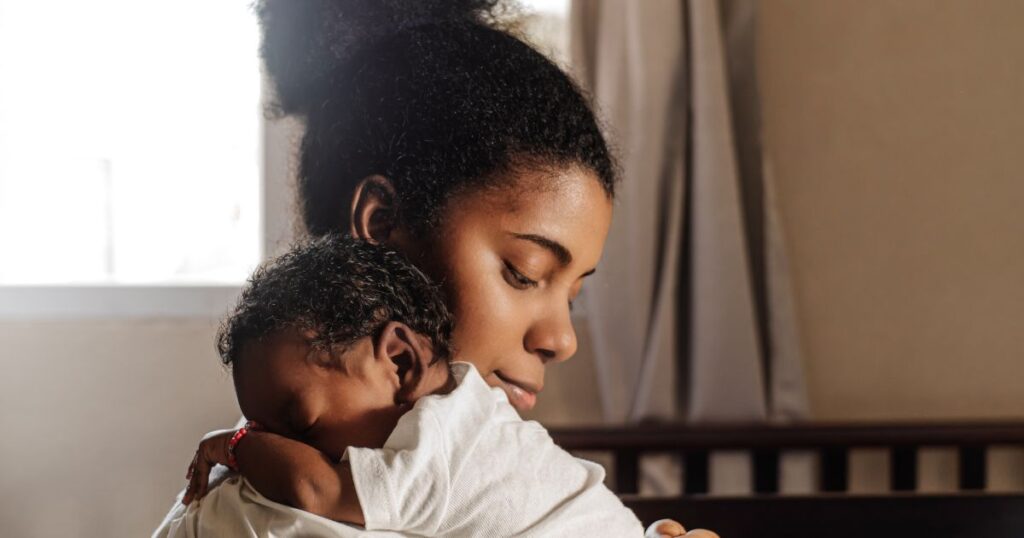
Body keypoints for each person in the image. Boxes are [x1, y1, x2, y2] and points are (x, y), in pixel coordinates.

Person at [159, 0, 716, 535]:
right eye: (524, 272)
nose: (562, 339)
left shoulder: (482, 476)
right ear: (381, 227)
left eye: (571, 295)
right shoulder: (268, 516)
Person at [173, 235, 643, 536]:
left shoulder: (441, 447)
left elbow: (317, 491)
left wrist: (234, 444)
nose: (280, 445)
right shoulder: (461, 410)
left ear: (399, 362)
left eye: (297, 426)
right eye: (260, 426)